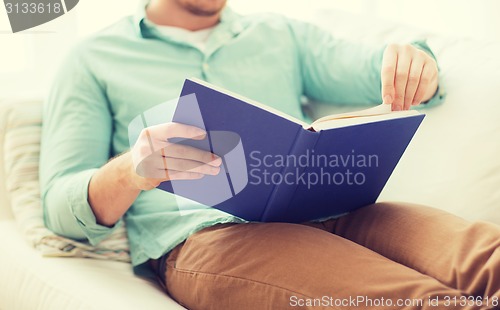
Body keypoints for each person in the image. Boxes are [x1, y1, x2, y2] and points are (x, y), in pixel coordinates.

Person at [40, 0, 499, 309]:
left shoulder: (279, 34)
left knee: (488, 260)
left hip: (337, 208)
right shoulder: (93, 57)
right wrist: (128, 173)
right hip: (209, 238)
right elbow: (59, 206)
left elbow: (378, 71)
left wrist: (417, 63)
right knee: (422, 301)